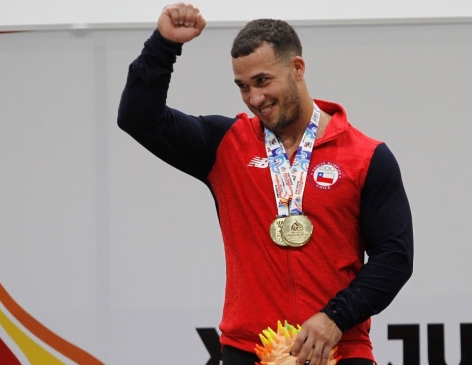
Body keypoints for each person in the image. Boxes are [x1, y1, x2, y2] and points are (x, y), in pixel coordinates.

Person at [117, 3, 413, 365]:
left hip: (337, 349)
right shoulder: (224, 144)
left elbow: (394, 258)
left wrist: (335, 317)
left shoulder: (366, 156)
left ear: (297, 69)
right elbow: (138, 117)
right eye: (243, 87)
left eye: (262, 81)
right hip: (248, 351)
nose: (254, 98)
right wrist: (163, 46)